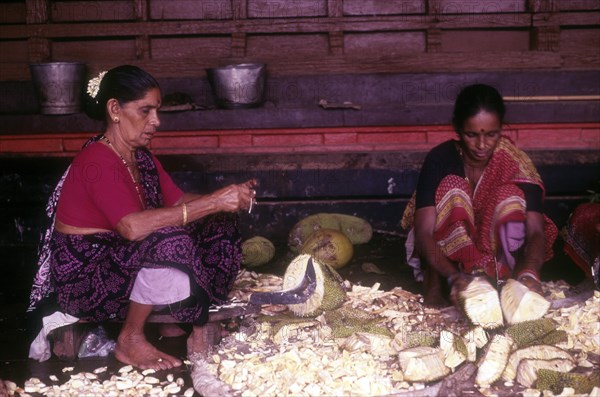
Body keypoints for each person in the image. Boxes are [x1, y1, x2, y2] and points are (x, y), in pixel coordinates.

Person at [27, 65, 257, 370]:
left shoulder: (141, 157)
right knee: (168, 240)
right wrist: (214, 201)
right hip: (88, 278)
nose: (156, 121)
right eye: (145, 110)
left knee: (218, 224)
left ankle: (182, 313)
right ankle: (130, 337)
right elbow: (132, 227)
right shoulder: (97, 160)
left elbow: (178, 202)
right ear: (114, 109)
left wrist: (225, 200)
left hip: (123, 263)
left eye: (157, 111)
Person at [401, 84, 558, 307]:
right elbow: (424, 232)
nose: (482, 145)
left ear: (502, 129)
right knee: (452, 189)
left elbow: (535, 230)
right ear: (456, 127)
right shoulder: (440, 158)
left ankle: (504, 279)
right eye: (471, 134)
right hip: (445, 259)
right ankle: (435, 286)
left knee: (511, 197)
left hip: (495, 256)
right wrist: (453, 277)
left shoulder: (516, 163)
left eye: (492, 134)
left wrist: (530, 272)